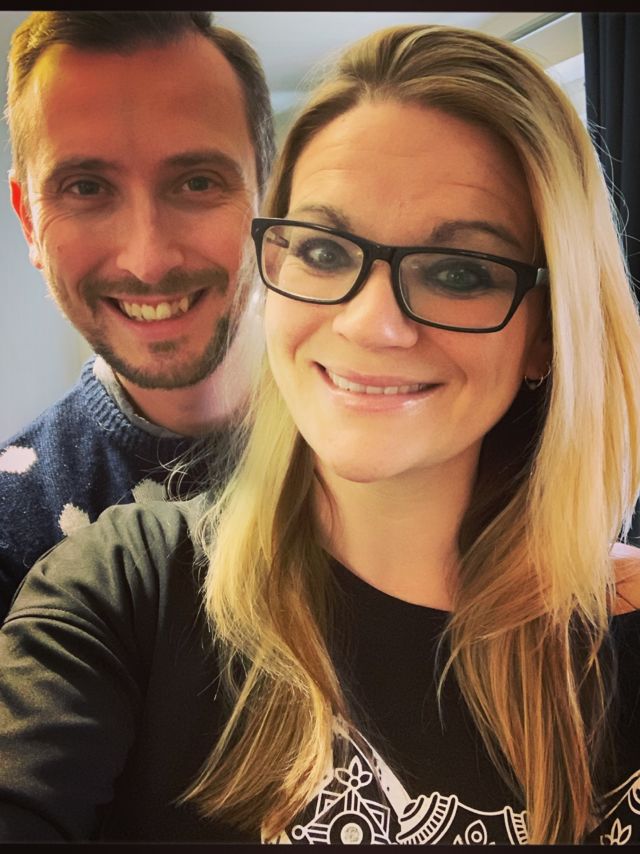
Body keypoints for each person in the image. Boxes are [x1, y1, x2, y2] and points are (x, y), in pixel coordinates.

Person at [1, 22, 640, 846]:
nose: (371, 324)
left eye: (459, 272)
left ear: (550, 330)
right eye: (326, 251)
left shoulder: (615, 616)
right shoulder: (123, 585)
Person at [0, 11, 274, 620]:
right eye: (85, 188)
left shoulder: (394, 442)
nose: (147, 262)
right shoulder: (10, 531)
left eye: (197, 182)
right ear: (29, 221)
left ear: (270, 196)